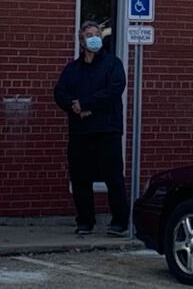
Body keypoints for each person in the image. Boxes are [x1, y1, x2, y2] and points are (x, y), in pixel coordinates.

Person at [54, 21, 129, 236]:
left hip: (107, 129)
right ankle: (85, 221)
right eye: (89, 34)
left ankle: (120, 221)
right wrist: (74, 106)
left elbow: (114, 89)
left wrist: (85, 105)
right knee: (80, 178)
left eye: (97, 34)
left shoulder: (112, 64)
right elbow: (60, 93)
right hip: (80, 131)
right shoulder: (72, 69)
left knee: (113, 176)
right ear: (81, 41)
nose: (94, 37)